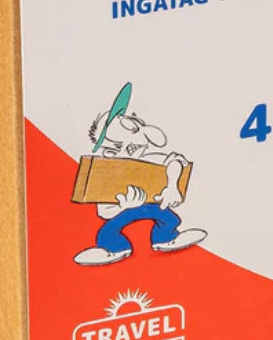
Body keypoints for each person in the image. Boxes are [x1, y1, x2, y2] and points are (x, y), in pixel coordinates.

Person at [73, 83, 207, 266]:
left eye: (134, 120)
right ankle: (113, 248)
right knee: (108, 231)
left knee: (169, 219)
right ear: (112, 151)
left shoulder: (148, 158)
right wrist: (123, 205)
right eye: (131, 125)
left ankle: (166, 237)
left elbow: (174, 161)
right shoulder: (106, 176)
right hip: (124, 211)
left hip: (153, 205)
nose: (138, 123)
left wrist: (172, 186)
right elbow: (104, 212)